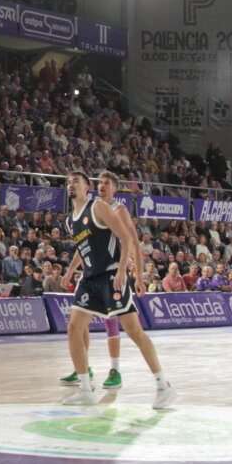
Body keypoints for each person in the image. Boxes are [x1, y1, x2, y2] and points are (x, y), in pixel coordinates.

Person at [61, 171, 175, 409]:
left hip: (112, 275)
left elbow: (126, 237)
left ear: (86, 188)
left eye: (76, 182)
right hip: (90, 278)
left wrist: (125, 270)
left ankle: (164, 386)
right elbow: (84, 248)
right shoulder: (70, 220)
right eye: (68, 182)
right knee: (74, 327)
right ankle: (85, 388)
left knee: (134, 331)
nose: (70, 185)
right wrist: (71, 271)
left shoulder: (100, 208)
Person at [60, 178, 146, 391]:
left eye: (107, 183)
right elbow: (84, 245)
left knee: (117, 323)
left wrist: (139, 275)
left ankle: (115, 369)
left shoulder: (119, 209)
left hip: (115, 270)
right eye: (100, 183)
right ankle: (84, 368)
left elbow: (132, 241)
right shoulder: (91, 209)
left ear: (115, 188)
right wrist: (71, 271)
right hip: (93, 272)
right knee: (79, 322)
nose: (102, 186)